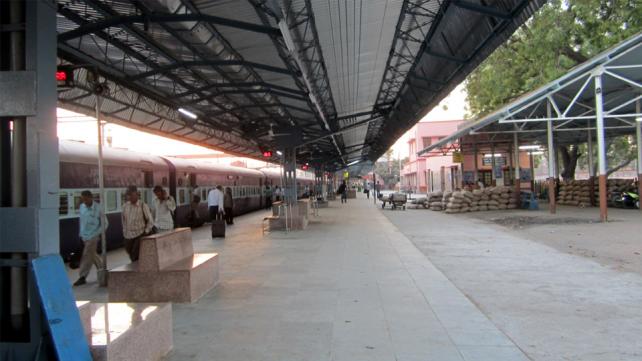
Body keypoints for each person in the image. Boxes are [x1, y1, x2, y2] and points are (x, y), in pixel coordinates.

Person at [74, 190, 107, 286]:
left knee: (86, 255)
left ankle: (82, 276)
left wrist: (95, 234)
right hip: (84, 236)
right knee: (92, 255)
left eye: (86, 199)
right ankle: (102, 269)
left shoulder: (99, 208)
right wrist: (80, 234)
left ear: (91, 198)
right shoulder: (82, 207)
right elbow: (82, 222)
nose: (84, 201)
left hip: (93, 236)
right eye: (82, 199)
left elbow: (105, 224)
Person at [122, 186, 154, 262]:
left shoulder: (143, 205)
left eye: (131, 195)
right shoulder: (125, 206)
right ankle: (137, 266)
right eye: (128, 195)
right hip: (128, 236)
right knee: (131, 255)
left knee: (135, 255)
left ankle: (138, 270)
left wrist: (145, 232)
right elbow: (123, 220)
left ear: (136, 194)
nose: (129, 197)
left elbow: (150, 221)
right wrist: (124, 232)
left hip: (139, 234)